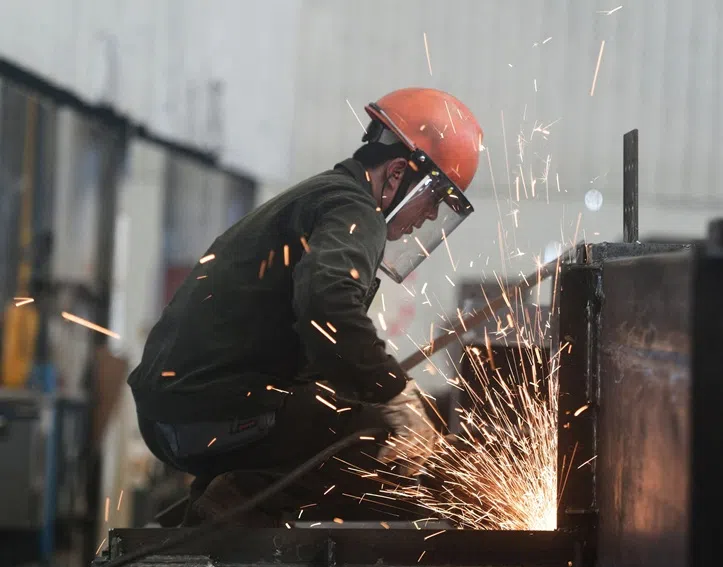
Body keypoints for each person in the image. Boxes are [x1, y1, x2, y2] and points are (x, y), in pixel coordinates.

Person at [128, 88, 482, 525]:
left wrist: (369, 385)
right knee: (373, 436)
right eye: (434, 199)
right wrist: (393, 392)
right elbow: (327, 307)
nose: (429, 218)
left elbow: (309, 334)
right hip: (203, 409)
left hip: (182, 407)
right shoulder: (355, 210)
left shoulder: (322, 198)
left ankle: (218, 511)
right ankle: (222, 523)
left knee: (333, 416)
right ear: (396, 175)